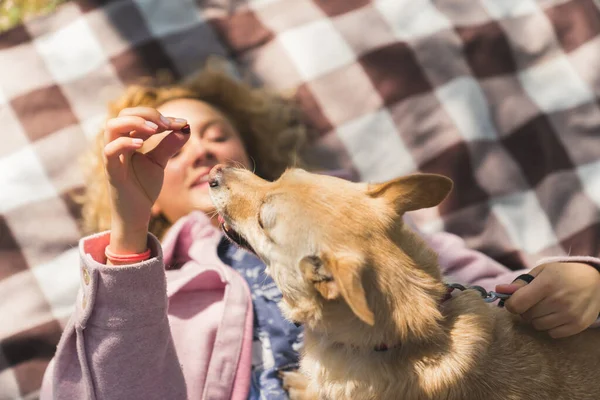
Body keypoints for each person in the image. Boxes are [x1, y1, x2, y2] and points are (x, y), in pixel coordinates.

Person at [40, 60, 600, 399]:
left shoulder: (366, 221)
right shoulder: (164, 292)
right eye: (172, 145)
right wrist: (128, 233)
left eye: (215, 133)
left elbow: (507, 302)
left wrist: (583, 281)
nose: (203, 150)